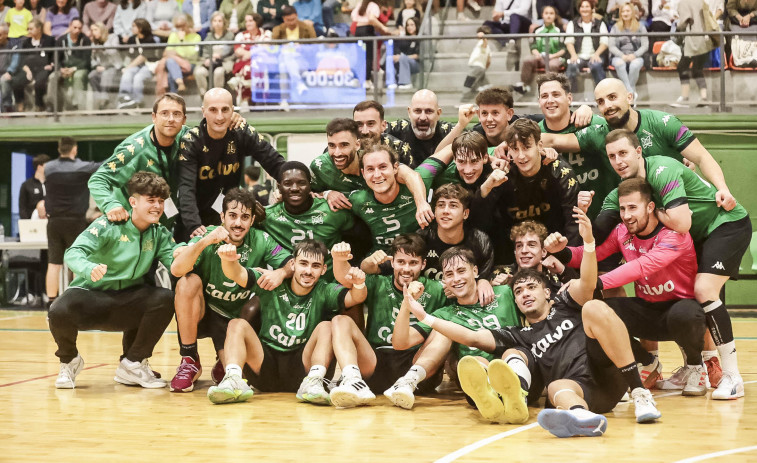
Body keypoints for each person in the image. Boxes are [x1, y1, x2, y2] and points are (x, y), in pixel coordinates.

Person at [403, 209, 662, 433]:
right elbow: (471, 336)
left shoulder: (565, 302)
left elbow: (589, 282)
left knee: (594, 306)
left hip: (606, 372)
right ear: (514, 301)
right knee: (556, 388)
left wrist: (589, 243)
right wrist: (426, 317)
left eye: (531, 288)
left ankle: (640, 393)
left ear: (547, 291)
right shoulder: (520, 335)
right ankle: (582, 419)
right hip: (585, 392)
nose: (525, 293)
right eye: (518, 291)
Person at [597, 129, 750, 399]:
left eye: (623, 153)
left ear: (638, 152)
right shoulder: (624, 190)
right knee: (690, 299)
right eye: (612, 156)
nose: (619, 161)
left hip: (726, 223)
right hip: (699, 236)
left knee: (704, 290)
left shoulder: (662, 170)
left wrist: (652, 209)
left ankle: (732, 376)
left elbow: (682, 223)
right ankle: (694, 367)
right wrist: (563, 248)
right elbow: (600, 231)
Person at [548, 178, 707, 393]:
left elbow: (641, 267)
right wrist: (561, 251)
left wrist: (592, 283)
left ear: (650, 207)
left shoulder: (674, 235)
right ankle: (647, 361)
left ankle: (696, 368)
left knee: (686, 313)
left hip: (680, 309)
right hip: (648, 310)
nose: (626, 215)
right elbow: (589, 255)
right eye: (622, 208)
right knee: (597, 313)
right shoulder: (622, 232)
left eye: (633, 207)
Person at [541, 78, 736, 227]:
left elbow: (702, 156)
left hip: (690, 212)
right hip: (649, 222)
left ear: (629, 97)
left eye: (612, 97)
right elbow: (552, 139)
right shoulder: (599, 133)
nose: (607, 105)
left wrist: (723, 188)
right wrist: (512, 141)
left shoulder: (663, 123)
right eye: (600, 102)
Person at [49, 172, 177, 390]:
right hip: (92, 297)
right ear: (133, 202)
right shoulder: (108, 225)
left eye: (161, 201)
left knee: (164, 298)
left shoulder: (160, 234)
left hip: (127, 302)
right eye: (151, 200)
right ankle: (69, 360)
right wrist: (89, 268)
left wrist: (194, 248)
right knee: (58, 310)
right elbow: (74, 252)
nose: (157, 206)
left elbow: (175, 261)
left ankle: (133, 363)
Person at [207, 239, 367, 404]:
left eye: (315, 266)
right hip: (265, 366)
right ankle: (233, 379)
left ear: (324, 269)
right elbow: (236, 273)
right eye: (303, 263)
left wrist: (360, 284)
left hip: (302, 370)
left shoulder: (324, 290)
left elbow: (355, 297)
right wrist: (228, 260)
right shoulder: (271, 282)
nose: (308, 271)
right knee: (237, 324)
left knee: (326, 326)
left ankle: (315, 380)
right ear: (293, 264)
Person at [169, 188, 292, 393]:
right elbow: (176, 269)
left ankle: (222, 359)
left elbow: (291, 262)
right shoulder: (208, 235)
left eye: (245, 217)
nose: (238, 223)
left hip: (232, 319)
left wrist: (280, 272)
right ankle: (189, 359)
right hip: (203, 312)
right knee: (187, 282)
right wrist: (206, 241)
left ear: (252, 220)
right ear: (222, 217)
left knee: (232, 377)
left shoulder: (262, 239)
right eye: (232, 216)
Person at [329, 235, 451, 408]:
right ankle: (353, 381)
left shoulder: (437, 289)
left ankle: (408, 381)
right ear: (392, 262)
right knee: (340, 320)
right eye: (401, 262)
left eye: (413, 263)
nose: (406, 269)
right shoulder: (378, 283)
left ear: (423, 264)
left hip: (417, 365)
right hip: (377, 364)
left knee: (445, 328)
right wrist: (338, 259)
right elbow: (345, 278)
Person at [395, 246, 521, 412]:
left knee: (511, 355)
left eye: (461, 271)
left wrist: (486, 281)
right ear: (444, 281)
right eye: (449, 274)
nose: (456, 279)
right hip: (479, 383)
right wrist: (407, 303)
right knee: (472, 357)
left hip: (515, 370)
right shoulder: (445, 314)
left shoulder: (505, 293)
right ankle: (408, 381)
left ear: (475, 271)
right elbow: (401, 342)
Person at [177, 88, 286, 241]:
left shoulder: (241, 131)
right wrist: (194, 225)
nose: (220, 116)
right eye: (213, 110)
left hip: (227, 213)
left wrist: (293, 184)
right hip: (191, 216)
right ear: (203, 112)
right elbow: (186, 188)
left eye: (225, 109)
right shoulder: (191, 140)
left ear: (233, 111)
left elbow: (274, 161)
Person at [310, 118, 433, 228]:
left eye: (344, 145)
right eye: (332, 146)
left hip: (380, 218)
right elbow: (308, 194)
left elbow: (410, 175)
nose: (337, 153)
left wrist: (421, 204)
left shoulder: (371, 160)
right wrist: (327, 193)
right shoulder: (319, 166)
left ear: (357, 145)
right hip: (349, 224)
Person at [481, 118, 580, 245]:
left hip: (554, 247)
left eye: (526, 147)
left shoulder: (561, 173)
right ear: (509, 150)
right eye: (515, 149)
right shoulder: (501, 173)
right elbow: (483, 221)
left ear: (539, 146)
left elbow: (573, 224)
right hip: (513, 251)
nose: (521, 156)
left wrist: (566, 259)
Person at [535, 73, 613, 219]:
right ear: (539, 101)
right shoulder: (534, 133)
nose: (550, 100)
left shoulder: (594, 124)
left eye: (556, 94)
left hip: (602, 217)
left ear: (569, 98)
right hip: (560, 223)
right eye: (544, 96)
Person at [260, 161, 354, 276]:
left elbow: (359, 237)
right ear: (279, 187)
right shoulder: (267, 216)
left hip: (329, 285)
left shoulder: (332, 211)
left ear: (310, 185)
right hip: (289, 286)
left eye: (301, 183)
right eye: (287, 183)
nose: (294, 188)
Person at [349, 144, 436, 253]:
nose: (377, 175)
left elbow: (447, 151)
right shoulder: (357, 200)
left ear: (395, 168)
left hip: (417, 258)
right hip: (381, 260)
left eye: (383, 167)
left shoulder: (419, 180)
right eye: (370, 169)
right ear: (363, 173)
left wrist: (421, 203)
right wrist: (327, 194)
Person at [44, 137, 100, 306]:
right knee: (77, 262)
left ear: (59, 149)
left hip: (54, 221)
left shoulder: (48, 167)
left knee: (54, 264)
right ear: (74, 149)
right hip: (75, 222)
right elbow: (104, 165)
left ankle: (51, 303)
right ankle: (77, 302)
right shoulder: (82, 167)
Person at [413, 184, 494, 290]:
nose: (445, 211)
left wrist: (483, 281)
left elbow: (484, 277)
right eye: (441, 205)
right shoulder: (421, 239)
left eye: (453, 205)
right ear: (435, 211)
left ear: (465, 213)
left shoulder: (479, 241)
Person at [492, 220, 576, 295]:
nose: (524, 250)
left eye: (531, 245)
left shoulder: (556, 275)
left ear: (543, 252)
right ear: (515, 252)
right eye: (519, 246)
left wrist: (563, 271)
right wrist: (492, 287)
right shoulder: (500, 273)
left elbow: (583, 293)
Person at [669, 0, 715, 108]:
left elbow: (684, 21)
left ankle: (685, 99)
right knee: (697, 69)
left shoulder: (684, 3)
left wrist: (677, 28)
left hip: (693, 41)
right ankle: (704, 98)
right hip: (705, 40)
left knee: (682, 66)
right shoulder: (702, 2)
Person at [385, 90, 453, 162]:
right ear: (409, 112)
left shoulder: (452, 132)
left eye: (429, 111)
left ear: (438, 113)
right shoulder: (394, 130)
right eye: (417, 111)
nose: (422, 117)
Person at [513, 6, 566, 96]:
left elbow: (563, 49)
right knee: (528, 60)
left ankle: (551, 88)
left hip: (555, 57)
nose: (548, 16)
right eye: (546, 13)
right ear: (542, 15)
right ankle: (523, 85)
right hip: (540, 57)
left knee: (552, 65)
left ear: (555, 16)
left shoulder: (560, 30)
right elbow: (533, 46)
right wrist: (537, 54)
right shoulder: (537, 30)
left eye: (551, 13)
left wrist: (552, 56)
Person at [9, 18, 54, 112]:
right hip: (29, 69)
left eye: (31, 29)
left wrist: (51, 65)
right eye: (28, 29)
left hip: (43, 68)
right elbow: (23, 60)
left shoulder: (49, 40)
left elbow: (54, 56)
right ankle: (20, 103)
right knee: (16, 81)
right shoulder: (26, 42)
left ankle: (39, 105)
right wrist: (27, 71)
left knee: (39, 83)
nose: (29, 31)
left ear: (39, 29)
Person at [564, 0, 608, 95]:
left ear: (592, 8)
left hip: (595, 55)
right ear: (579, 9)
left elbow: (604, 42)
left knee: (596, 66)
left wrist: (596, 54)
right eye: (582, 7)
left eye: (587, 6)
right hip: (579, 56)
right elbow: (569, 41)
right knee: (572, 66)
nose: (584, 9)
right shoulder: (572, 23)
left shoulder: (600, 23)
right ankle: (568, 95)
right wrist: (573, 55)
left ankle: (604, 94)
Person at [352, 100, 414, 167]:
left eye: (370, 124)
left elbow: (412, 175)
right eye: (359, 125)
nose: (365, 131)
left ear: (383, 126)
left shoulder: (397, 148)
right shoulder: (347, 148)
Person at [116, 18, 162, 109]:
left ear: (140, 28)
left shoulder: (150, 39)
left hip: (148, 65)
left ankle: (137, 101)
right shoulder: (132, 39)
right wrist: (127, 68)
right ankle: (124, 97)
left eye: (134, 26)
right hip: (136, 65)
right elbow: (131, 56)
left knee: (138, 77)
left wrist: (128, 67)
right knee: (128, 73)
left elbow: (143, 57)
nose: (131, 28)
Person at [48, 17, 90, 111]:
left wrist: (74, 69)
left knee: (78, 76)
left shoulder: (86, 40)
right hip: (64, 68)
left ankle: (77, 105)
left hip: (79, 68)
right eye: (75, 27)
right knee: (52, 77)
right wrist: (60, 69)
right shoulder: (61, 40)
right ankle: (53, 105)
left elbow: (86, 60)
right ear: (70, 26)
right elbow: (55, 58)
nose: (77, 30)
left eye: (79, 28)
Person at [154, 13, 201, 95]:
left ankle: (174, 96)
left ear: (189, 24)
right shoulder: (173, 35)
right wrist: (178, 54)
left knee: (170, 63)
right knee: (170, 65)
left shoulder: (196, 37)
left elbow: (192, 55)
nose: (180, 29)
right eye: (178, 26)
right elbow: (167, 52)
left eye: (182, 25)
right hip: (175, 64)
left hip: (190, 64)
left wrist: (182, 41)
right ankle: (179, 86)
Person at [608, 3, 648, 98]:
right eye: (623, 11)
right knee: (619, 64)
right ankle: (631, 92)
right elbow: (612, 46)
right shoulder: (615, 27)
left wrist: (634, 55)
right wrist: (622, 56)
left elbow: (645, 45)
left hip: (636, 56)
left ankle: (628, 92)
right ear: (620, 14)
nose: (625, 13)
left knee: (635, 65)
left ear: (633, 13)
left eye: (628, 11)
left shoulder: (640, 27)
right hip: (619, 56)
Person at [193, 12, 235, 98]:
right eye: (215, 21)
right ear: (212, 23)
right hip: (210, 63)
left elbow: (230, 50)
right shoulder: (208, 36)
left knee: (218, 72)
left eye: (220, 21)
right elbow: (205, 52)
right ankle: (204, 95)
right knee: (199, 72)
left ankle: (217, 96)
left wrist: (220, 55)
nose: (217, 23)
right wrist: (208, 59)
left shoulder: (229, 35)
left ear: (224, 23)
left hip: (224, 62)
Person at [88, 22, 122, 110]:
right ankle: (100, 97)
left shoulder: (113, 37)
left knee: (106, 74)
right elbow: (92, 59)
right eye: (92, 30)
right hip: (101, 67)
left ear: (102, 30)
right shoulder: (94, 41)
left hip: (114, 66)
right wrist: (96, 66)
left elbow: (113, 51)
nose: (93, 32)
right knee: (92, 75)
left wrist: (103, 45)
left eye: (95, 30)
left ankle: (104, 101)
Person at [461, 26, 492, 102]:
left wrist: (483, 37)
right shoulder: (484, 46)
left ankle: (464, 100)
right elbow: (488, 61)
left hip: (477, 66)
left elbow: (484, 44)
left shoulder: (483, 43)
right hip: (481, 67)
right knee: (483, 85)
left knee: (468, 82)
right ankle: (487, 98)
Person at [391, 16, 420, 90]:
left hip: (416, 64)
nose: (409, 27)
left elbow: (417, 56)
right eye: (407, 25)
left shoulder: (420, 38)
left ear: (417, 25)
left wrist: (402, 57)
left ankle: (406, 82)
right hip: (404, 61)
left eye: (412, 25)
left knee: (402, 58)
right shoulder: (405, 38)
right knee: (391, 58)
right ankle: (392, 82)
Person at [19, 154, 50, 220]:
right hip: (32, 224)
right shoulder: (26, 185)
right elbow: (22, 208)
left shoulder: (52, 184)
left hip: (50, 223)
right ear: (39, 167)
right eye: (47, 166)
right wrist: (28, 224)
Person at [0, 24, 16, 112]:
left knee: (3, 80)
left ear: (6, 34)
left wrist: (10, 71)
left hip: (9, 73)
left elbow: (15, 61)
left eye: (0, 35)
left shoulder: (13, 46)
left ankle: (7, 107)